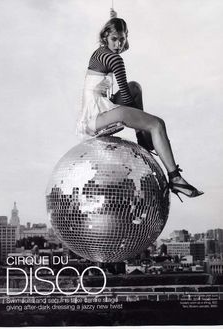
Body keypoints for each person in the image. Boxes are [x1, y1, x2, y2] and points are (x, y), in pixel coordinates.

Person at [76, 10, 203, 202]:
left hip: (98, 111)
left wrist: (113, 19)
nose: (118, 44)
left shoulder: (100, 52)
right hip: (95, 118)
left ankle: (143, 140)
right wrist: (147, 124)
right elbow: (126, 99)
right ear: (106, 37)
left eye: (122, 39)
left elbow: (129, 92)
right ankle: (175, 177)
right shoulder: (114, 59)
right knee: (157, 125)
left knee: (135, 87)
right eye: (114, 39)